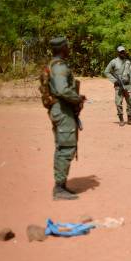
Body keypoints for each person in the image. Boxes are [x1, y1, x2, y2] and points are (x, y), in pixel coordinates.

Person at [47, 37, 86, 200]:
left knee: (63, 146)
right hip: (63, 110)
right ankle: (59, 188)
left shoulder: (55, 65)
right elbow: (62, 89)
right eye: (67, 46)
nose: (69, 49)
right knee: (66, 147)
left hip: (61, 110)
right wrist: (77, 98)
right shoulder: (59, 67)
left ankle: (61, 185)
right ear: (63, 48)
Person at [104, 45, 131, 126]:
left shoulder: (128, 62)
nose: (122, 53)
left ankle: (129, 119)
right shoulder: (113, 62)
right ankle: (121, 120)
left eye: (123, 51)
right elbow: (106, 72)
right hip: (119, 86)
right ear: (118, 53)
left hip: (127, 85)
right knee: (118, 103)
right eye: (121, 52)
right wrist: (114, 81)